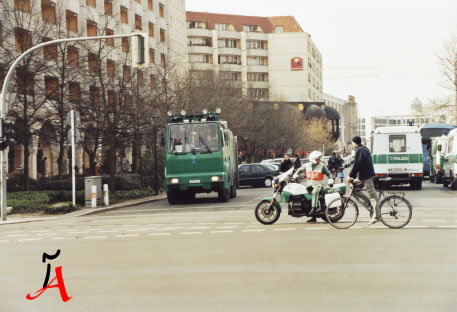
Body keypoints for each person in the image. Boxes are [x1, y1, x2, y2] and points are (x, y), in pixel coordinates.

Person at [294, 151, 334, 223]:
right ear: (313, 159)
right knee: (304, 197)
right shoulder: (307, 165)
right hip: (309, 185)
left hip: (318, 185)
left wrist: (330, 181)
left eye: (319, 159)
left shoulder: (322, 166)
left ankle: (314, 209)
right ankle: (313, 217)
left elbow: (329, 174)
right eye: (318, 159)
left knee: (315, 192)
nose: (319, 160)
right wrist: (294, 176)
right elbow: (299, 170)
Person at [348, 136, 379, 225]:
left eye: (352, 142)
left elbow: (357, 164)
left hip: (366, 176)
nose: (352, 144)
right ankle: (369, 204)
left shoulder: (360, 150)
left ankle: (377, 216)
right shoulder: (363, 149)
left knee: (373, 196)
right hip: (363, 176)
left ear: (354, 143)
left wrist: (351, 175)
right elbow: (359, 165)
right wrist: (353, 177)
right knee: (353, 190)